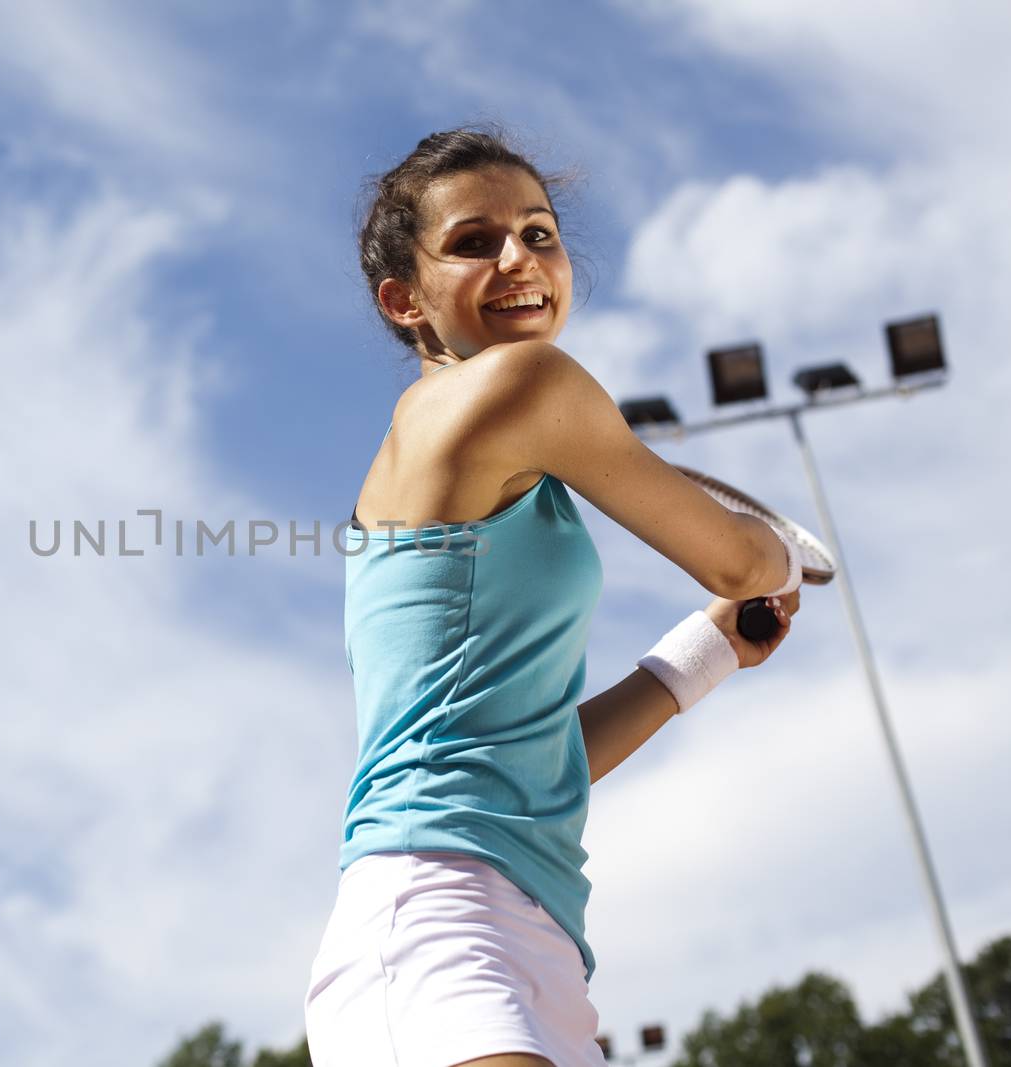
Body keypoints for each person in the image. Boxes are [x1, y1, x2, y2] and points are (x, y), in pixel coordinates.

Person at [303, 126, 804, 1067]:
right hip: (436, 921)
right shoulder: (525, 383)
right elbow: (742, 564)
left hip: (529, 936)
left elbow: (535, 760)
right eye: (472, 241)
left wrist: (706, 655)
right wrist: (786, 555)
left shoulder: (473, 452)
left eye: (538, 233)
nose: (518, 260)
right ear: (402, 300)